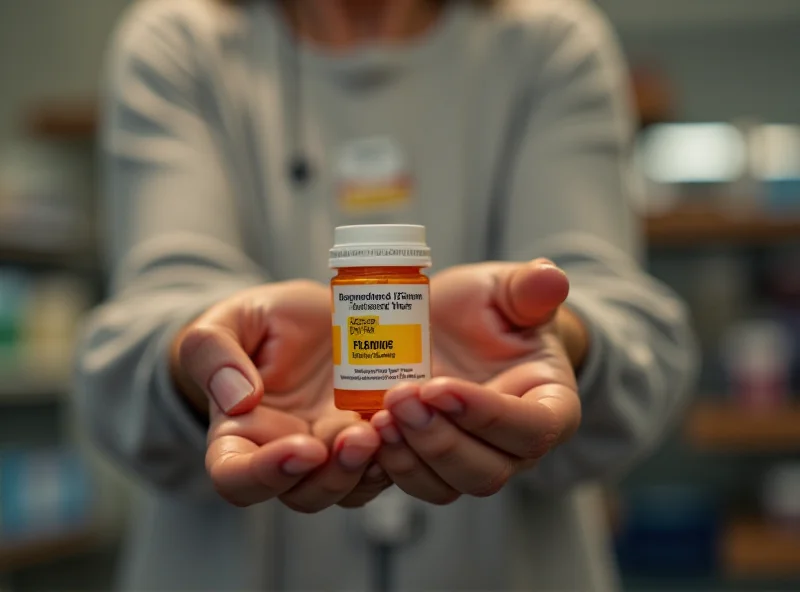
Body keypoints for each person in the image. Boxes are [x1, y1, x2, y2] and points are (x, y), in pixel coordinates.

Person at [75, 0, 697, 590]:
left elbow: (634, 336)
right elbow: (139, 331)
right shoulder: (180, 42)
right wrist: (209, 362)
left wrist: (555, 334)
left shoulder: (550, 42)